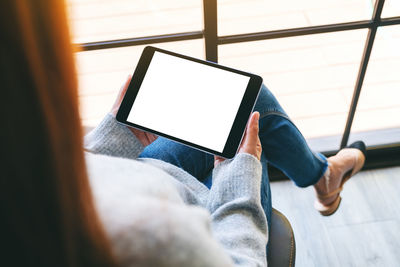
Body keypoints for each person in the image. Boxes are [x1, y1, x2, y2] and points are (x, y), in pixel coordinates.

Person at [0, 1, 365, 266]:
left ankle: (323, 175)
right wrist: (237, 180)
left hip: (118, 182)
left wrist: (108, 141)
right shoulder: (155, 238)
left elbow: (63, 181)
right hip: (186, 214)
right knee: (247, 123)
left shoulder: (23, 179)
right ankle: (323, 177)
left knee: (244, 99)